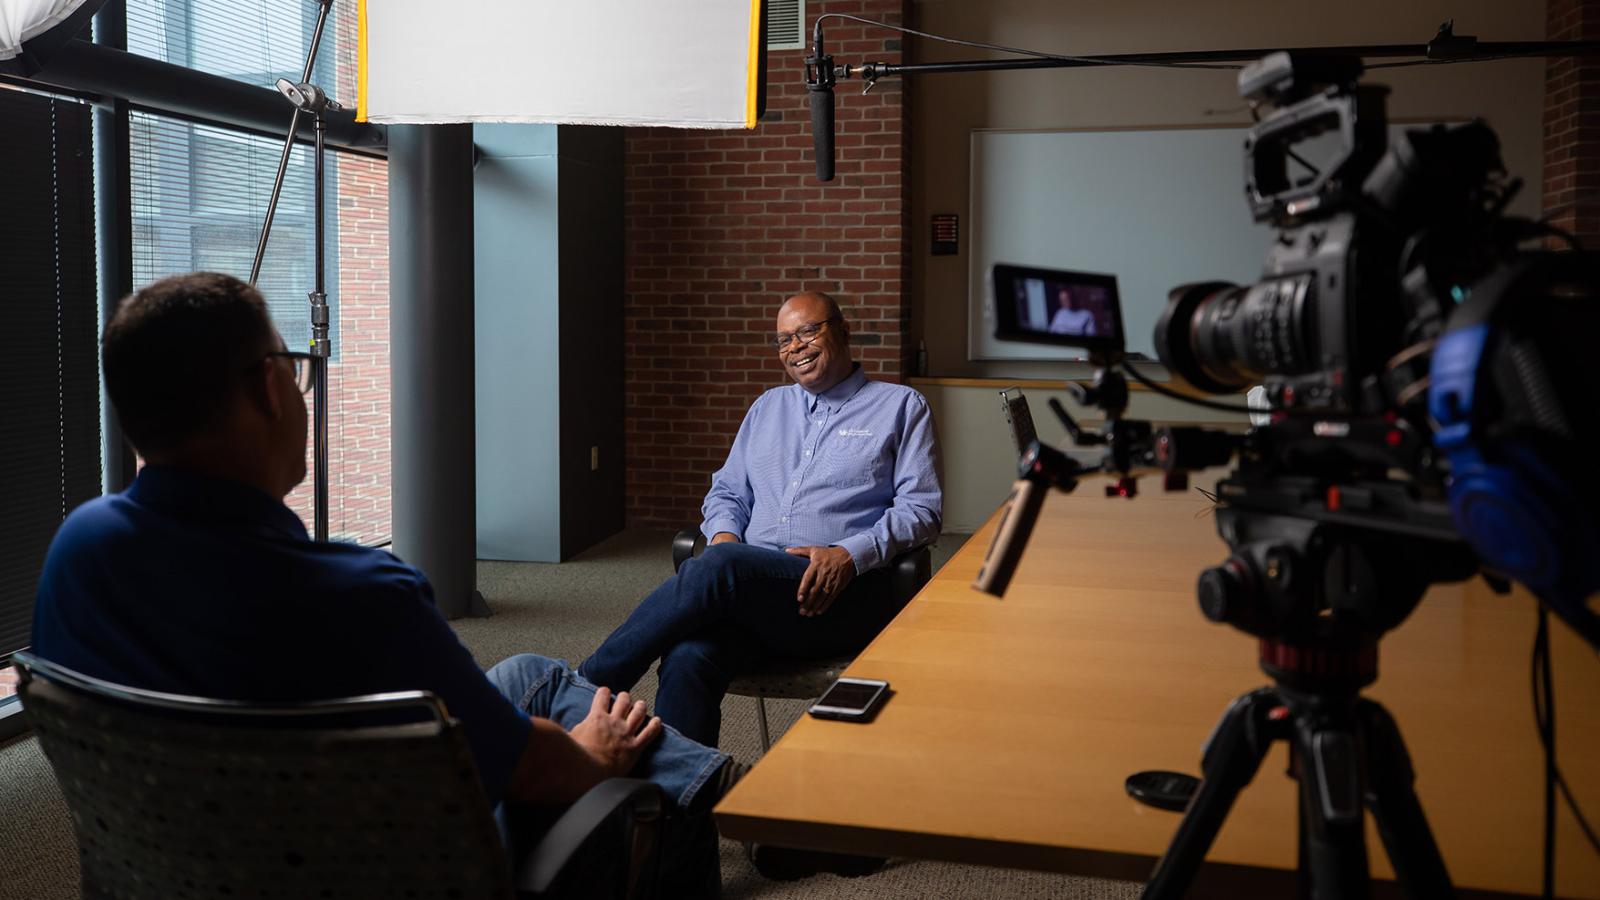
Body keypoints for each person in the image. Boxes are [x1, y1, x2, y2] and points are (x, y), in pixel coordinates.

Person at [30, 272, 735, 895]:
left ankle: (712, 776)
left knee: (531, 674)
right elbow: (533, 773)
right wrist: (593, 756)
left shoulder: (78, 552)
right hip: (382, 865)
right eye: (295, 368)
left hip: (180, 865)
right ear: (270, 388)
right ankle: (723, 796)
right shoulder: (362, 596)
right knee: (648, 798)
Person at [579, 291, 942, 748]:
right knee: (688, 656)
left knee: (722, 566)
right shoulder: (768, 407)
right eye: (784, 340)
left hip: (839, 596)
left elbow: (921, 510)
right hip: (752, 595)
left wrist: (849, 555)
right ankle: (684, 788)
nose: (796, 347)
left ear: (844, 331)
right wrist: (725, 535)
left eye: (808, 331)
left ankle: (587, 684)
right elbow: (727, 491)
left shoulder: (901, 406)